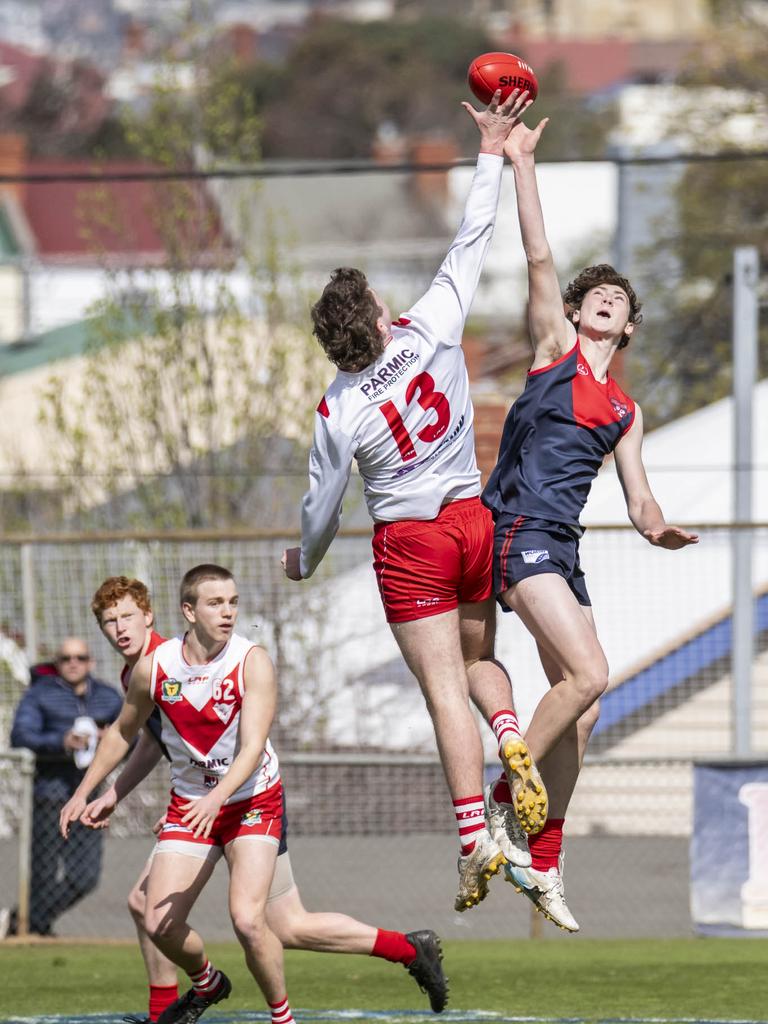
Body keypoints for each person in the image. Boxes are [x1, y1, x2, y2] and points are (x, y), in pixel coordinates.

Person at [282, 87, 545, 914]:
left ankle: (474, 838)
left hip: (412, 544)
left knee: (440, 688)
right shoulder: (431, 325)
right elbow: (473, 233)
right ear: (377, 315)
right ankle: (513, 737)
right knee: (476, 665)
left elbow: (322, 509)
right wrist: (491, 150)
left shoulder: (339, 405)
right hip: (474, 523)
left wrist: (304, 560)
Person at [481, 117, 700, 931]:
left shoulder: (625, 409)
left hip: (561, 547)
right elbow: (539, 257)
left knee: (586, 710)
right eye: (596, 295)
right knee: (592, 674)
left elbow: (639, 498)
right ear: (577, 314)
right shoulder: (552, 353)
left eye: (620, 299)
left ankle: (543, 862)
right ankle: (499, 805)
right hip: (516, 529)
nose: (608, 300)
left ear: (630, 327)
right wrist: (523, 165)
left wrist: (659, 528)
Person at [84, 575, 447, 1020]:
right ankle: (408, 949)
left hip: (247, 795)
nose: (120, 628)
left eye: (127, 617)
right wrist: (114, 792)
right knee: (284, 924)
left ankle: (179, 1004)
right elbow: (152, 742)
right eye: (109, 621)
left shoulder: (185, 659)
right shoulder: (141, 671)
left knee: (217, 915)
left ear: (152, 616)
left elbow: (214, 743)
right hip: (199, 801)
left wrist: (195, 796)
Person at [7, 637, 122, 936]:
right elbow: (21, 735)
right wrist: (62, 742)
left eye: (80, 657)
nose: (74, 663)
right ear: (57, 663)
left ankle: (26, 921)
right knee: (43, 873)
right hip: (50, 795)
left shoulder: (109, 698)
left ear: (91, 662)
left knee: (85, 876)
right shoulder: (40, 695)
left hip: (89, 798)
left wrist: (111, 738)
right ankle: (36, 929)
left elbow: (134, 738)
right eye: (67, 658)